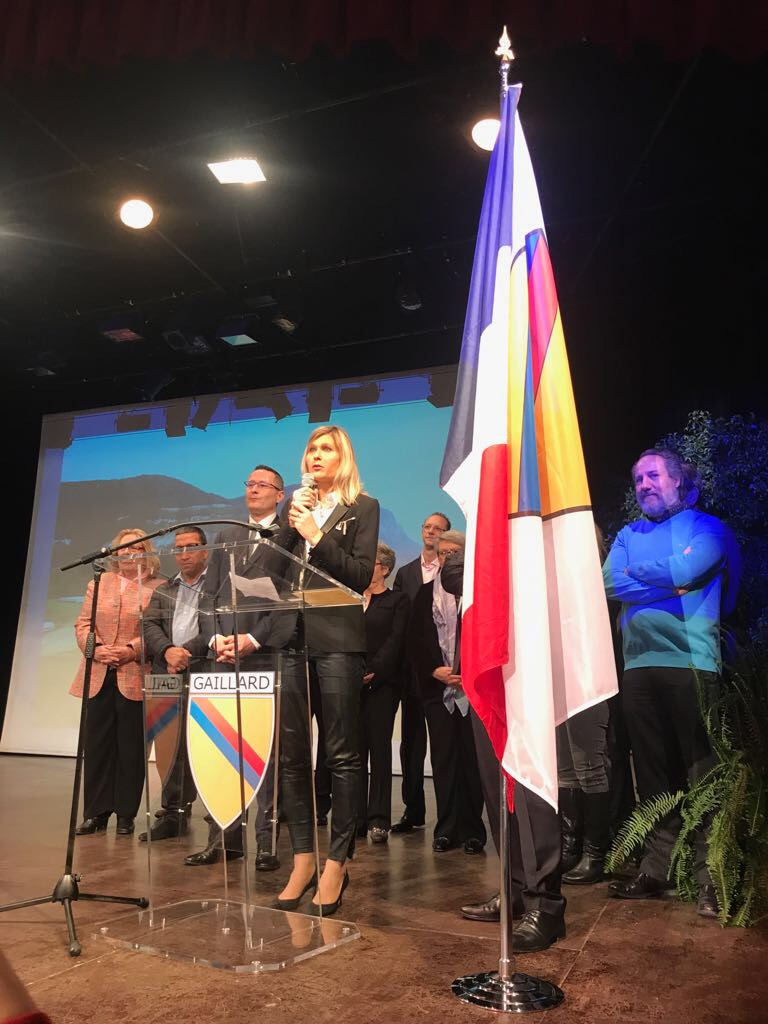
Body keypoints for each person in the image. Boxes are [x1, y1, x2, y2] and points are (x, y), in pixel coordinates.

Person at [603, 448, 740, 918]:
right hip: (638, 667)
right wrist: (671, 583)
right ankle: (656, 870)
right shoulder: (627, 534)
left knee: (702, 773)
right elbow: (608, 583)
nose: (644, 484)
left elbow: (689, 569)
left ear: (678, 480)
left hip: (692, 664)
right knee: (653, 776)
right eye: (638, 478)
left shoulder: (707, 528)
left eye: (653, 475)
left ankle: (710, 880)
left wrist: (643, 575)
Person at [273, 424, 379, 916]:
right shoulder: (294, 509)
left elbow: (358, 575)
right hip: (291, 641)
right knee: (293, 756)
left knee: (341, 755)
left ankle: (337, 862)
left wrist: (317, 534)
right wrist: (290, 523)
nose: (315, 456)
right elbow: (269, 572)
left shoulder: (363, 508)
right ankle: (302, 860)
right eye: (311, 449)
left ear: (343, 458)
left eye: (326, 449)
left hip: (337, 641)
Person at [442, 548, 567, 953]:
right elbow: (451, 574)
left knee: (530, 788)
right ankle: (514, 889)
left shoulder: (538, 536)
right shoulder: (485, 536)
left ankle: (545, 904)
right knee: (496, 791)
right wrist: (488, 558)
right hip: (486, 671)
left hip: (529, 669)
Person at [184, 464, 286, 869]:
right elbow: (208, 597)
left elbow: (286, 601)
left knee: (266, 752)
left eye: (262, 484)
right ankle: (224, 839)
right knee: (223, 748)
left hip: (265, 656)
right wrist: (215, 640)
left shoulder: (290, 536)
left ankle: (266, 842)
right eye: (250, 483)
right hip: (223, 659)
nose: (253, 489)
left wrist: (252, 639)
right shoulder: (226, 537)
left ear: (280, 494)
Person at [71, 528, 162, 836]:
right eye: (122, 549)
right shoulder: (99, 583)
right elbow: (83, 623)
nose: (126, 554)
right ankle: (96, 814)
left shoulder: (159, 587)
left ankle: (125, 814)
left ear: (146, 553)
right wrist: (96, 649)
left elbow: (158, 630)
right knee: (97, 745)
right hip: (98, 672)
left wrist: (130, 650)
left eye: (134, 548)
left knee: (131, 748)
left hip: (134, 672)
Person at [409, 530, 486, 856]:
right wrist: (434, 670)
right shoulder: (425, 593)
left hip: (474, 690)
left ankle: (473, 831)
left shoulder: (479, 592)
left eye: (455, 553)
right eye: (444, 554)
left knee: (472, 761)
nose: (448, 559)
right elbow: (415, 639)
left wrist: (470, 672)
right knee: (443, 761)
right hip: (438, 691)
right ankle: (446, 829)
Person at [140, 526, 210, 842]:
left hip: (203, 672)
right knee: (169, 747)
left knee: (204, 746)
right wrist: (168, 651)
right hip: (165, 673)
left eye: (191, 547)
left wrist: (185, 653)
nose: (184, 554)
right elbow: (149, 624)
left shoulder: (218, 586)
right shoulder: (166, 588)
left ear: (205, 550)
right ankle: (173, 814)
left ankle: (216, 816)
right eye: (178, 548)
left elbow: (216, 627)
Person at [391, 512, 450, 834]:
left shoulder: (453, 571)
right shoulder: (405, 573)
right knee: (412, 744)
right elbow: (401, 623)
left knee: (445, 748)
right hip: (412, 672)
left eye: (437, 528)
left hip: (445, 671)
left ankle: (449, 820)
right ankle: (412, 811)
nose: (431, 532)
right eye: (427, 527)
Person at [357, 542, 410, 842]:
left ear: (385, 569)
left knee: (379, 749)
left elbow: (396, 640)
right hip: (349, 683)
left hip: (383, 684)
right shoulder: (351, 598)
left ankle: (378, 819)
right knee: (353, 751)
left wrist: (372, 670)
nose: (365, 566)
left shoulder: (397, 600)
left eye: (371, 562)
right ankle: (354, 818)